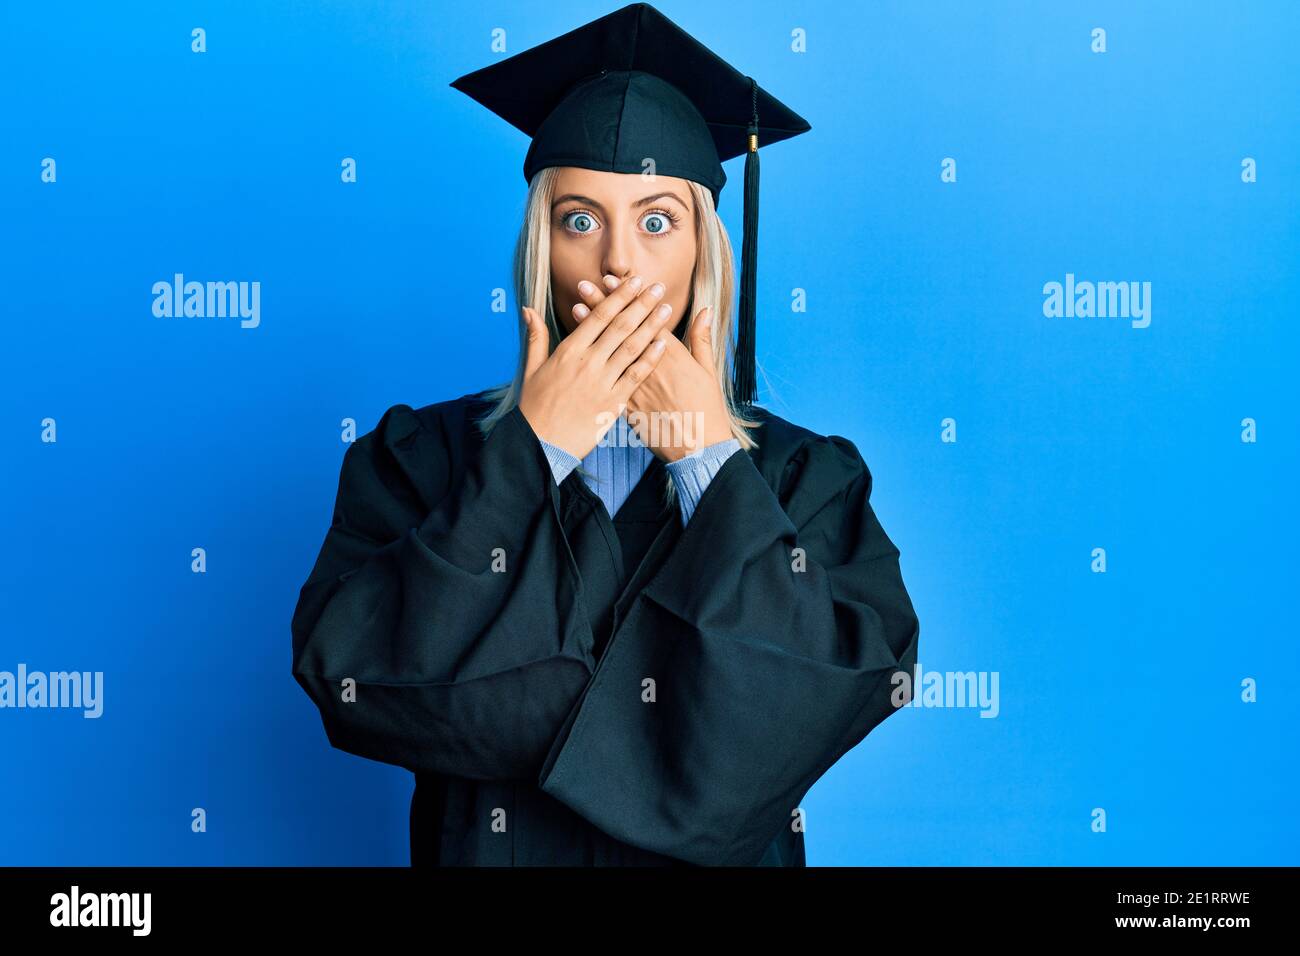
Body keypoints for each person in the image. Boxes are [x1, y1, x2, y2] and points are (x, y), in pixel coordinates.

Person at [290, 2, 920, 867]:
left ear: (705, 251)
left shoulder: (804, 477)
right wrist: (532, 449)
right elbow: (351, 679)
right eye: (579, 219)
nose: (617, 260)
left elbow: (821, 703)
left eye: (658, 220)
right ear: (539, 248)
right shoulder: (420, 461)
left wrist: (708, 457)